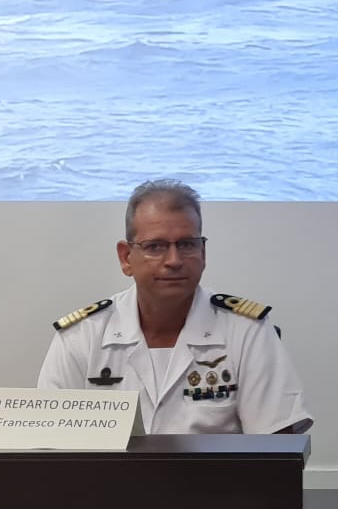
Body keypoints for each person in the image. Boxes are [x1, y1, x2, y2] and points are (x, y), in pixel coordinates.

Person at [37, 178, 312, 434]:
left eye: (186, 244)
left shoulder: (248, 332)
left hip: (219, 486)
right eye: (155, 246)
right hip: (107, 487)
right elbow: (52, 443)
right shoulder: (82, 336)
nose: (174, 260)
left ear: (203, 254)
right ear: (126, 257)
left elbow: (277, 452)